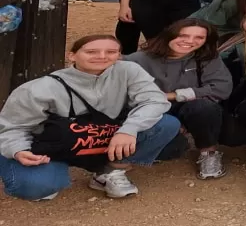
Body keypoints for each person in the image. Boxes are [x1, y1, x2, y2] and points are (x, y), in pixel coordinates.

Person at [0, 34, 180, 201]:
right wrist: (18, 150)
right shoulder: (39, 89)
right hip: (51, 145)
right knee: (36, 187)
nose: (102, 56)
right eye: (91, 51)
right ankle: (44, 176)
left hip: (101, 137)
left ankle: (110, 172)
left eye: (111, 52)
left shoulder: (128, 71)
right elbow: (13, 127)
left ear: (119, 55)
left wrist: (129, 129)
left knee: (166, 124)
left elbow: (156, 100)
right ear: (72, 56)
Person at [125, 19, 233, 180]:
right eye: (183, 35)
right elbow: (125, 95)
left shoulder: (206, 57)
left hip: (188, 106)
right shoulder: (137, 60)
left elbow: (221, 88)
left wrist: (174, 95)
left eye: (199, 38)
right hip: (153, 110)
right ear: (170, 35)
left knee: (204, 107)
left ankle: (208, 151)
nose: (190, 41)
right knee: (174, 150)